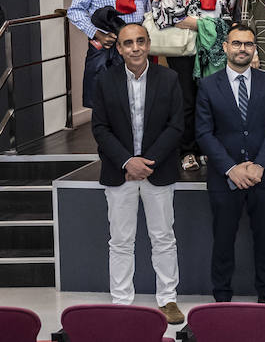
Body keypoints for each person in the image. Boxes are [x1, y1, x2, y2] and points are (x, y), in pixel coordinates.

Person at [90, 23, 185, 325]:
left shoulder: (169, 78)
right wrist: (127, 161)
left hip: (157, 171)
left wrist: (148, 161)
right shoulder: (104, 80)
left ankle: (167, 299)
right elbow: (100, 128)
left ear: (148, 44)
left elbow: (176, 125)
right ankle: (121, 304)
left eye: (140, 42)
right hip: (120, 173)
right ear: (119, 48)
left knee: (164, 238)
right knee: (120, 240)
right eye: (128, 43)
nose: (134, 48)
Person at [195, 24, 265, 305]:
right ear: (225, 47)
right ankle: (222, 295)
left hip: (263, 176)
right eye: (236, 43)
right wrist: (231, 168)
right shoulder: (208, 85)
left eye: (248, 44)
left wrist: (260, 165)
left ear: (254, 49)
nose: (242, 49)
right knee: (223, 239)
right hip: (225, 177)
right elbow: (203, 132)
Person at [151, 0, 231, 171]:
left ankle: (206, 147)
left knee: (209, 100)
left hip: (211, 51)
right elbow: (166, 15)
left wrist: (212, 25)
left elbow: (226, 15)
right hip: (185, 50)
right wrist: (206, 24)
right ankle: (187, 150)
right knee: (187, 100)